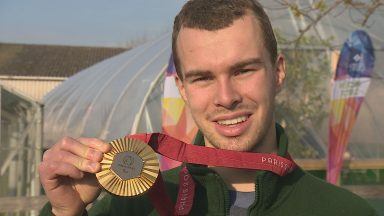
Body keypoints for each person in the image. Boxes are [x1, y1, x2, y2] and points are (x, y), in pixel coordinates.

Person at [39, 0, 378, 215]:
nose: (226, 97)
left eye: (243, 70)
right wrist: (64, 212)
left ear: (278, 72)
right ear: (183, 89)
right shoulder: (135, 205)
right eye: (203, 78)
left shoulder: (344, 211)